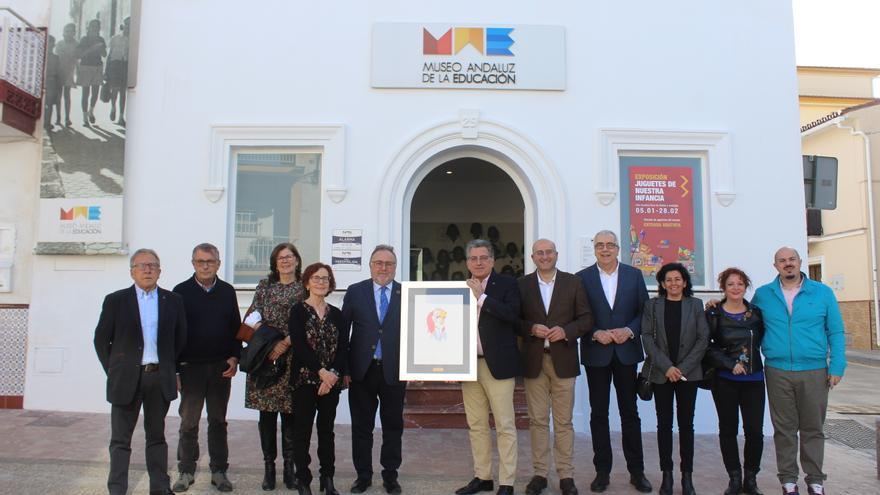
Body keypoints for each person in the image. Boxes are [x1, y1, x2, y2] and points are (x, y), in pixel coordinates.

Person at [751, 247, 845, 495]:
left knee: (813, 428)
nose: (788, 264)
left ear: (800, 262)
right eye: (782, 261)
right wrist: (718, 305)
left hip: (814, 370)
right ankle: (788, 481)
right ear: (776, 266)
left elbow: (835, 331)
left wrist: (837, 366)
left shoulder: (822, 293)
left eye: (792, 259)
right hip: (777, 370)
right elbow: (745, 321)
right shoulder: (763, 295)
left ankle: (815, 480)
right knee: (784, 429)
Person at [94, 248, 187, 495]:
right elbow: (101, 341)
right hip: (125, 380)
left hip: (159, 378)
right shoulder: (115, 300)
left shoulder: (173, 301)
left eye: (152, 265)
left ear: (159, 270)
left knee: (156, 438)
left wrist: (172, 370)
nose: (147, 269)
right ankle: (117, 490)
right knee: (120, 441)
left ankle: (159, 488)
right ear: (132, 271)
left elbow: (180, 339)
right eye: (142, 265)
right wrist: (114, 370)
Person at [576, 230, 652, 493]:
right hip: (597, 352)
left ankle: (637, 472)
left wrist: (629, 330)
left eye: (610, 245)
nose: (605, 249)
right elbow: (578, 314)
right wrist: (594, 332)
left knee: (629, 413)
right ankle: (602, 472)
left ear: (618, 248)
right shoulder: (582, 278)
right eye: (600, 245)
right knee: (599, 414)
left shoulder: (634, 275)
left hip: (626, 352)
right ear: (594, 248)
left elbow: (644, 311)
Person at [517, 239, 592, 495]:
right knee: (537, 421)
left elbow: (586, 318)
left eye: (549, 252)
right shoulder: (522, 285)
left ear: (556, 255)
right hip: (534, 361)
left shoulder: (574, 282)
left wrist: (567, 331)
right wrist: (530, 328)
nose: (545, 256)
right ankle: (539, 473)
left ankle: (566, 475)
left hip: (563, 359)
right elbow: (515, 321)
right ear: (533, 257)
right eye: (540, 253)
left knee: (564, 422)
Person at [171, 244, 241, 493]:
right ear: (193, 263)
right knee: (188, 422)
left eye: (210, 261)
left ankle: (219, 471)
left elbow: (236, 327)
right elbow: (174, 333)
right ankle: (186, 471)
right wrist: (175, 369)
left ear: (218, 264)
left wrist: (235, 357)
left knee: (218, 421)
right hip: (190, 368)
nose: (205, 265)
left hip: (220, 367)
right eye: (200, 261)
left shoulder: (227, 291)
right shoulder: (180, 292)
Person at [455, 239, 521, 495]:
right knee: (477, 425)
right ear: (467, 262)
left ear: (492, 260)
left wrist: (480, 297)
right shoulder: (459, 287)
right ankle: (482, 477)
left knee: (505, 425)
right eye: (473, 258)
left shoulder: (507, 284)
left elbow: (512, 315)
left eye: (483, 258)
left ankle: (507, 481)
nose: (478, 262)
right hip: (468, 366)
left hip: (499, 366)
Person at [640, 262, 709, 495]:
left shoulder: (696, 305)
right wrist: (667, 367)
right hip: (661, 374)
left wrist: (682, 369)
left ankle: (686, 477)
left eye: (678, 279)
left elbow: (703, 339)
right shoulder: (652, 305)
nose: (673, 283)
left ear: (685, 282)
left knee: (686, 425)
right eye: (668, 280)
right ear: (661, 283)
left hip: (688, 376)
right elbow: (647, 338)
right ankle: (666, 475)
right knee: (664, 425)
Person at [342, 245, 406, 494]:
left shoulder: (405, 293)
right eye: (378, 262)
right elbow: (343, 334)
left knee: (392, 426)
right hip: (361, 371)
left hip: (394, 371)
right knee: (361, 427)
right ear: (370, 266)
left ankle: (390, 475)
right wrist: (345, 369)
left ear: (395, 267)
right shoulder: (355, 292)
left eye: (388, 263)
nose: (383, 267)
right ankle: (363, 476)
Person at [244, 243, 305, 490]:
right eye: (280, 258)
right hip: (265, 358)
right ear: (274, 262)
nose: (285, 261)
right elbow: (252, 317)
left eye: (289, 257)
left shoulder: (304, 287)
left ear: (297, 261)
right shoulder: (264, 287)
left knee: (291, 415)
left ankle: (289, 468)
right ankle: (269, 468)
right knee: (266, 417)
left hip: (292, 360)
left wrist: (287, 342)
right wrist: (269, 339)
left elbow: (307, 318)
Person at [705, 268, 766, 495]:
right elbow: (707, 346)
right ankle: (734, 478)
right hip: (725, 381)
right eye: (731, 284)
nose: (736, 288)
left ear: (746, 286)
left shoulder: (757, 313)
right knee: (728, 430)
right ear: (723, 287)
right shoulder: (713, 314)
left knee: (754, 431)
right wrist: (730, 364)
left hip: (754, 380)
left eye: (740, 283)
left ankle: (751, 479)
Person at [290, 263, 349, 495]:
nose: (321, 282)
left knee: (327, 431)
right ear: (307, 282)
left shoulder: (338, 314)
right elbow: (300, 346)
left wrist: (332, 374)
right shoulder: (298, 311)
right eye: (316, 278)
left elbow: (344, 347)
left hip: (331, 383)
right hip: (304, 381)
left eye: (325, 278)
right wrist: (321, 372)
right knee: (302, 431)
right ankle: (303, 481)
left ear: (330, 283)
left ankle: (328, 479)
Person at [76, 18, 106, 127]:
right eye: (93, 26)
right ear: (89, 28)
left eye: (97, 26)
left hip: (97, 66)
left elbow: (104, 54)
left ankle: (91, 111)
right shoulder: (84, 39)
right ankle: (85, 118)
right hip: (86, 67)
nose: (95, 28)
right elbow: (79, 55)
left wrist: (101, 49)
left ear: (99, 28)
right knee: (85, 93)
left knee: (95, 92)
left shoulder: (101, 39)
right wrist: (92, 48)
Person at [105, 17, 130, 126]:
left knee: (123, 92)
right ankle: (113, 107)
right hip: (115, 65)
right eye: (127, 24)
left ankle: (121, 116)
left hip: (125, 66)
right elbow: (109, 55)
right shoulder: (115, 38)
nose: (128, 27)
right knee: (115, 90)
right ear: (123, 25)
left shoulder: (133, 40)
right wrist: (106, 71)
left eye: (130, 25)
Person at [55, 22, 78, 127]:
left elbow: (77, 58)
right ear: (64, 32)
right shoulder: (59, 43)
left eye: (71, 31)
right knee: (58, 96)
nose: (69, 33)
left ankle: (67, 117)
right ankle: (58, 117)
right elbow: (57, 56)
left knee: (67, 95)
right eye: (67, 31)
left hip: (69, 72)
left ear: (74, 33)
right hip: (59, 71)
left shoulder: (76, 44)